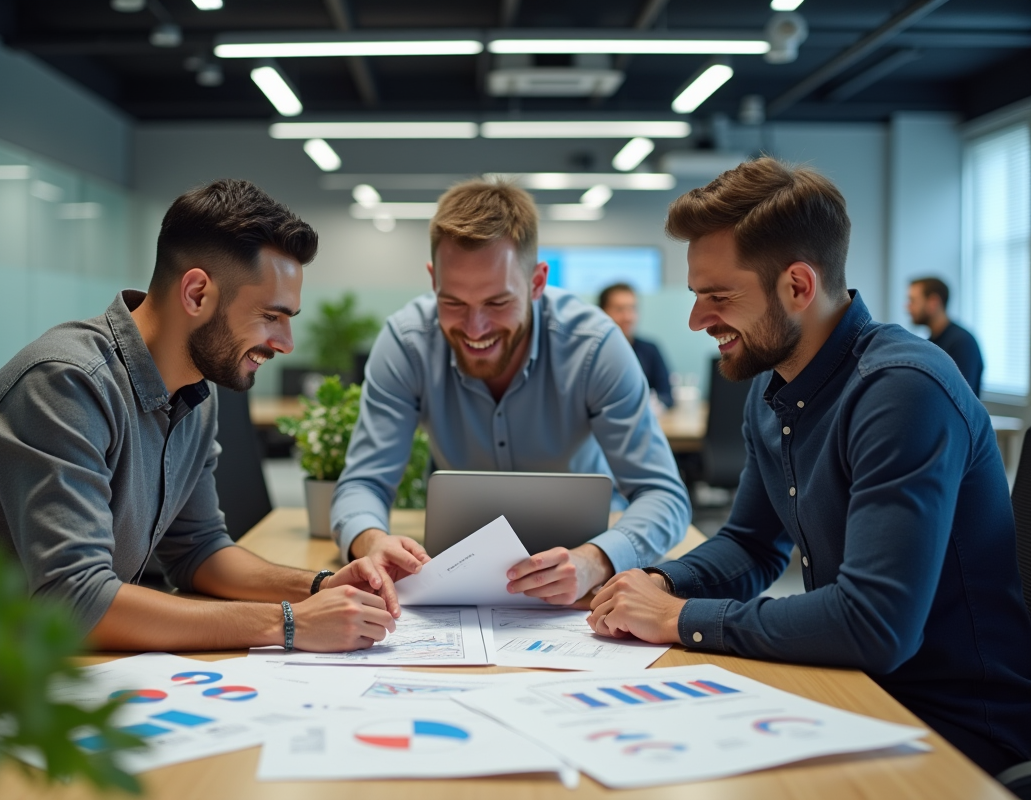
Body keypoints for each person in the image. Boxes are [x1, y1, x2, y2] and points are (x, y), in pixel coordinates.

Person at [586, 158, 1031, 777]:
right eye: (696, 296)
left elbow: (876, 624)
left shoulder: (901, 390)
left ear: (798, 285)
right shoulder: (774, 390)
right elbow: (750, 545)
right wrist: (664, 583)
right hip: (853, 693)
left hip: (953, 730)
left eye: (719, 296)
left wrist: (681, 618)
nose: (698, 320)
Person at [0, 179, 401, 653]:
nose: (286, 343)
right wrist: (288, 623)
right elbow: (74, 600)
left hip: (67, 668)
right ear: (196, 294)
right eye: (271, 316)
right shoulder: (65, 383)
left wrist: (320, 586)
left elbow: (198, 550)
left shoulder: (196, 391)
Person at [332, 180, 691, 605]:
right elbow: (362, 484)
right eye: (454, 303)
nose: (475, 328)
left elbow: (664, 495)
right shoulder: (407, 342)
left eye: (497, 302)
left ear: (537, 282)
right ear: (433, 280)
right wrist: (371, 540)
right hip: (453, 584)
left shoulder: (595, 346)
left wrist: (597, 560)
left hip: (575, 591)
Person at [597, 282, 674, 408]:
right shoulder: (592, 352)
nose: (628, 317)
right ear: (602, 312)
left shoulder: (649, 350)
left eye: (632, 308)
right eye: (619, 309)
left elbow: (666, 395)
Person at [906, 277, 984, 396]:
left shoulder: (962, 343)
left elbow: (960, 398)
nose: (907, 307)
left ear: (933, 302)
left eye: (913, 301)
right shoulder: (930, 343)